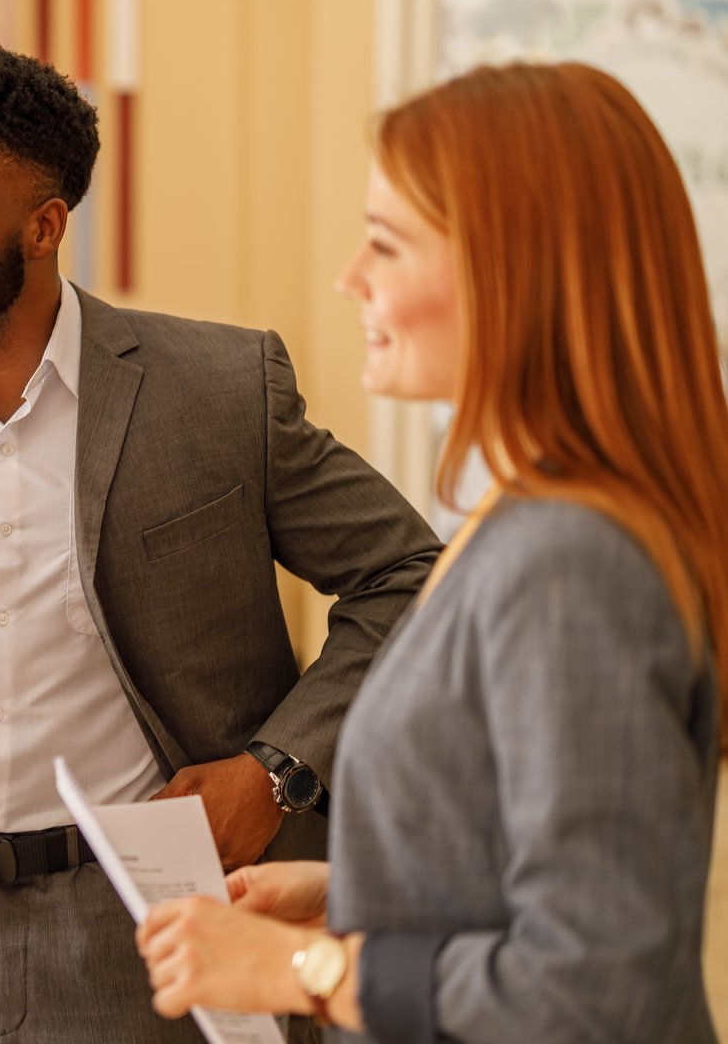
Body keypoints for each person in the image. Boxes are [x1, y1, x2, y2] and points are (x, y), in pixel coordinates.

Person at [0, 39, 442, 1044]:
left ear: (44, 224)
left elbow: (413, 578)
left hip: (158, 934)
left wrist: (275, 768)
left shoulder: (219, 391)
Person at [136, 61, 728, 1044]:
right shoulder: (523, 519)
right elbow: (521, 868)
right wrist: (367, 901)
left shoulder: (572, 559)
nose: (349, 278)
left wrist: (309, 967)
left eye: (386, 245)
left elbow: (597, 982)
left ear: (515, 272)